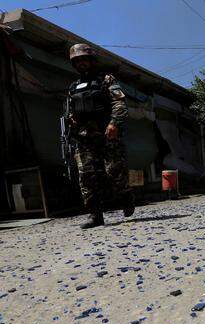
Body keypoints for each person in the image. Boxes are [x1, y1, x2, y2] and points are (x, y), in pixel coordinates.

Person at [65, 43, 135, 229]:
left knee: (114, 172)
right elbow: (71, 111)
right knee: (86, 176)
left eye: (84, 59)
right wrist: (72, 122)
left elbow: (119, 103)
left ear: (92, 60)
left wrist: (114, 123)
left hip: (106, 133)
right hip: (84, 137)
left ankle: (126, 195)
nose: (81, 63)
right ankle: (95, 215)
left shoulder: (106, 80)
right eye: (77, 60)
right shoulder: (73, 87)